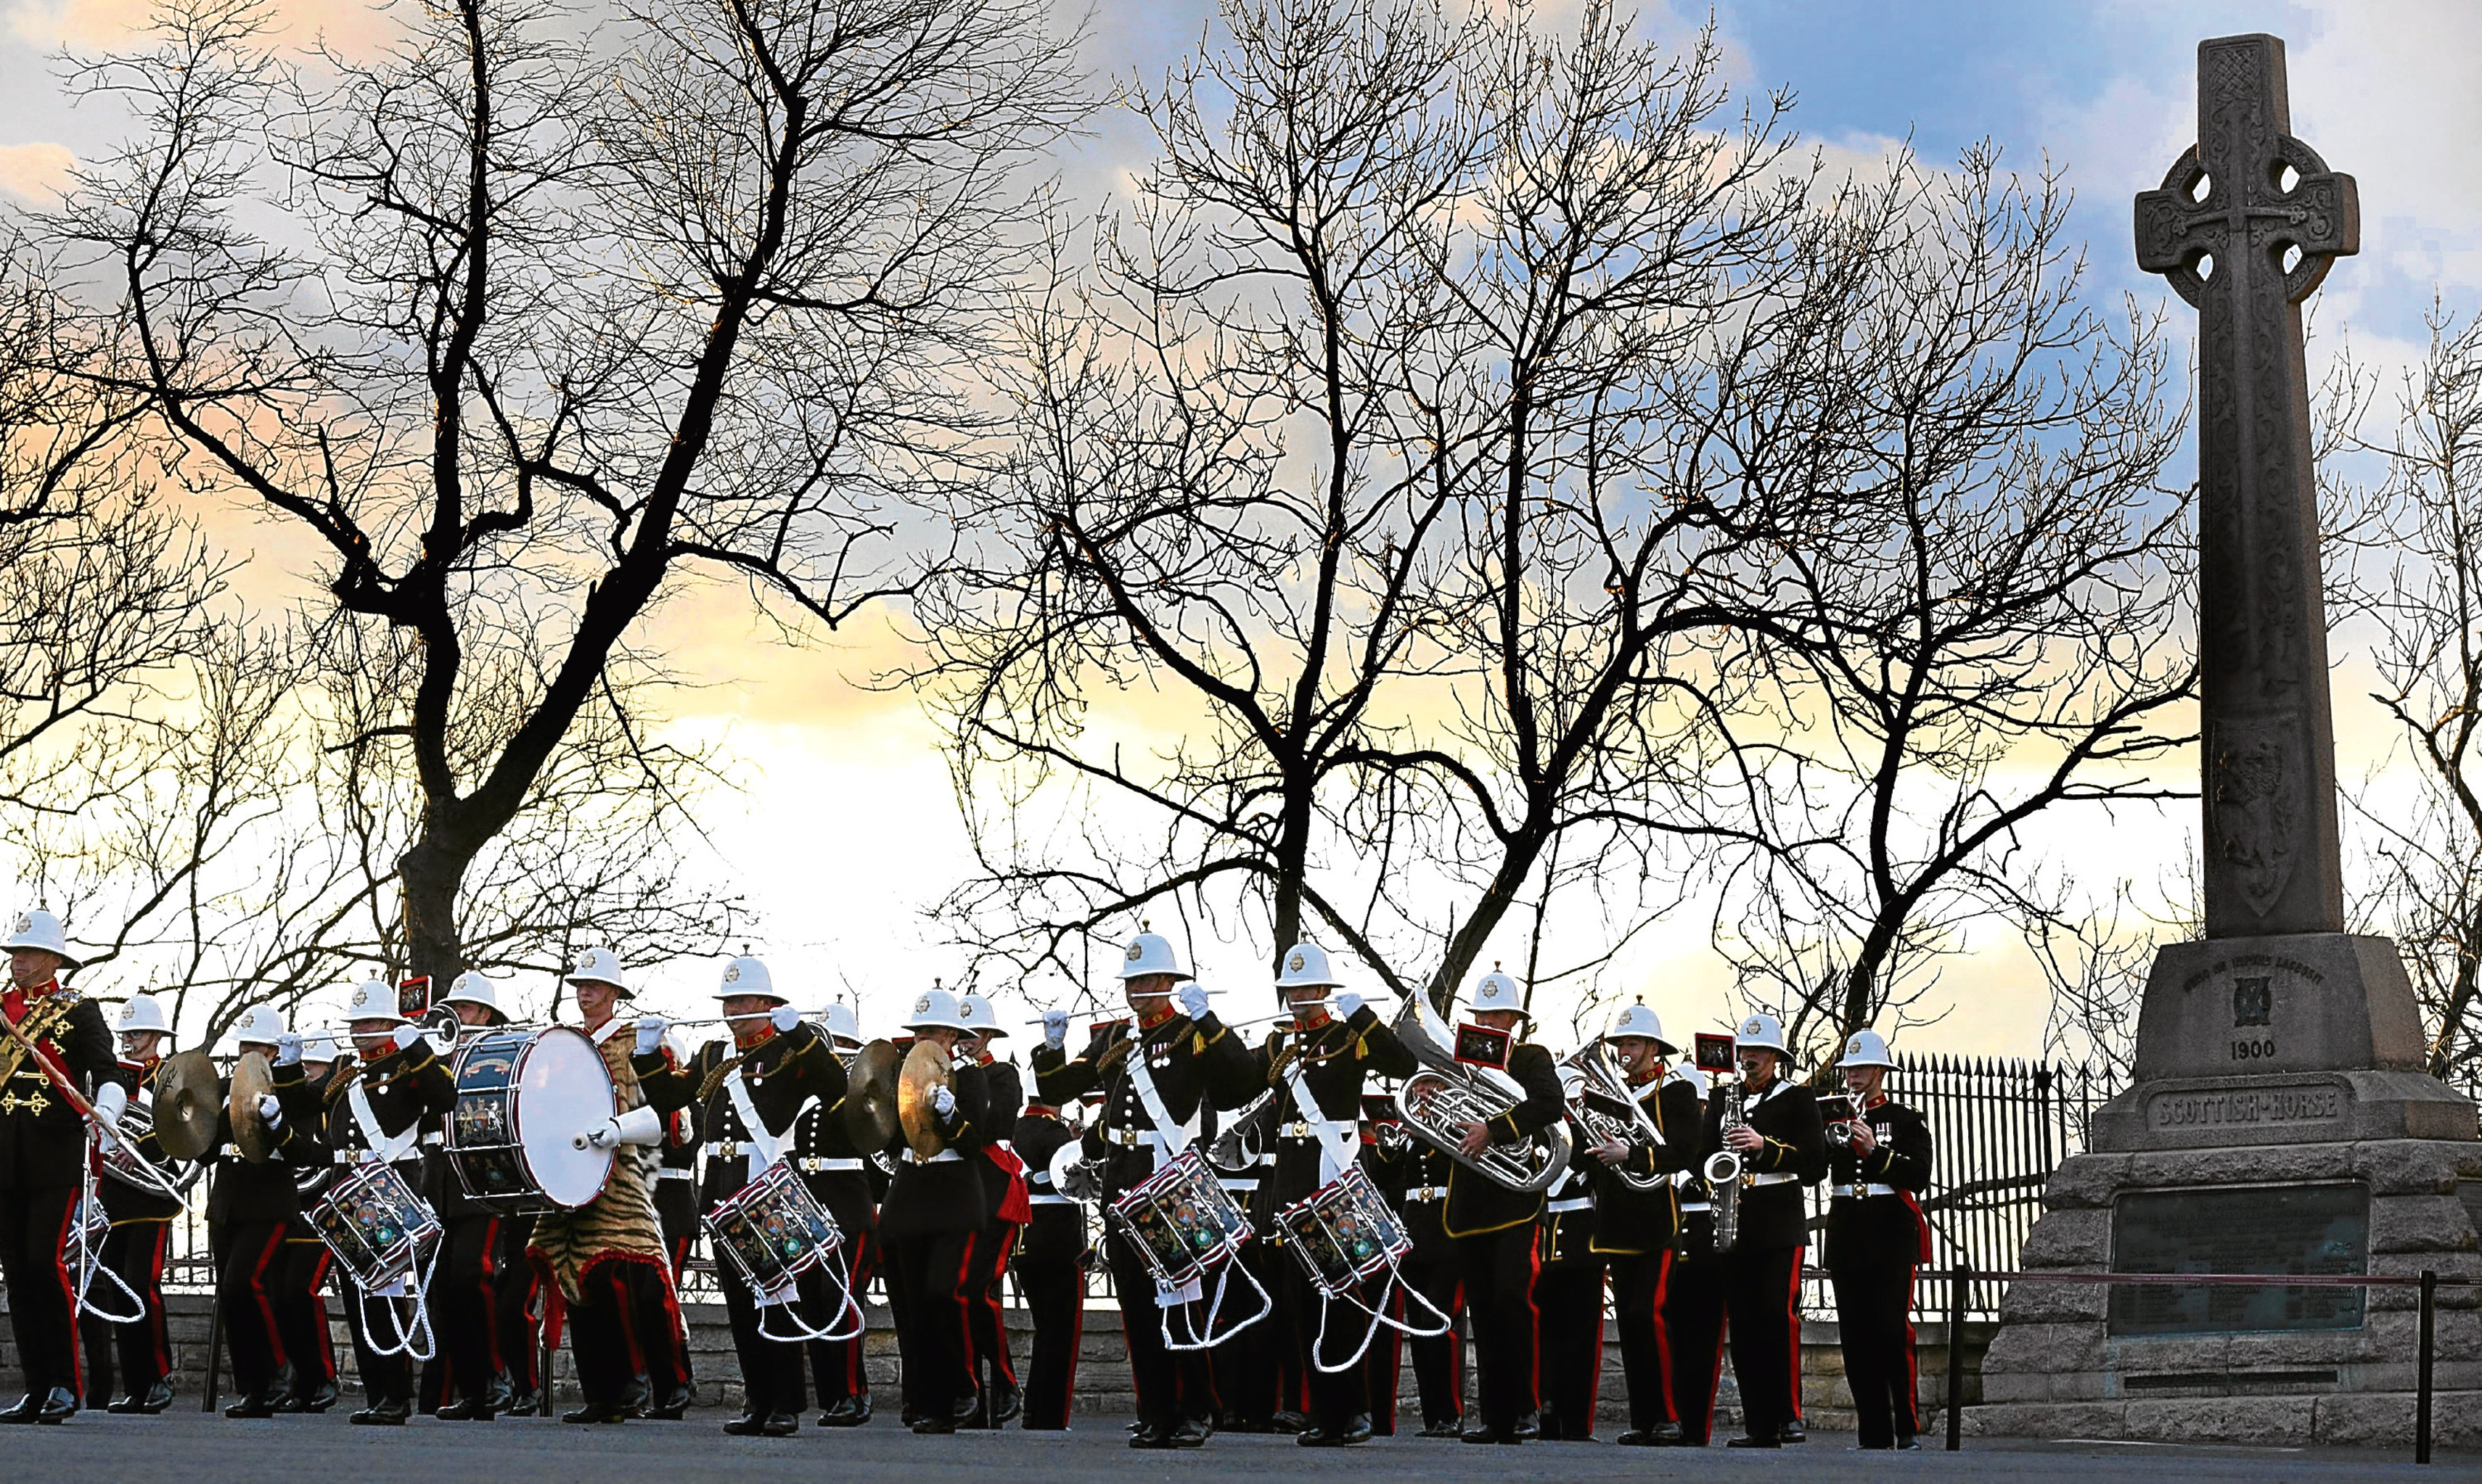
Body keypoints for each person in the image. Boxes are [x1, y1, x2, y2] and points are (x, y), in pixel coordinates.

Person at [1029, 928, 1255, 1450]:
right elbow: (1059, 1089)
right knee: (1135, 1304)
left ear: (1168, 981)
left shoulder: (1189, 1033)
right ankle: (1156, 1410)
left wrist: (1210, 1022)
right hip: (1124, 1183)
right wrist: (1052, 1050)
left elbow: (1241, 1084)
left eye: (1149, 979)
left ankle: (1197, 1408)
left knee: (1181, 1301)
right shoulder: (1115, 1040)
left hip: (1171, 1181)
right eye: (1132, 981)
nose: (1139, 990)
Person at [633, 953, 840, 1437]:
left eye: (743, 1001)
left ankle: (785, 1403)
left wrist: (803, 1038)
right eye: (728, 1002)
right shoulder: (713, 1055)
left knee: (778, 1296)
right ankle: (757, 1401)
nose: (733, 1011)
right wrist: (647, 1056)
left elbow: (835, 1088)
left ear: (768, 1003)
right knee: (740, 1303)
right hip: (724, 1184)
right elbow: (670, 1098)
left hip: (766, 1182)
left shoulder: (788, 1050)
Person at [1243, 941, 1413, 1448]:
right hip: (1292, 1181)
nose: (1297, 998)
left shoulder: (1348, 1038)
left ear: (1323, 991)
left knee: (1341, 1299)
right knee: (1301, 1303)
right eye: (1289, 990)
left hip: (1334, 1175)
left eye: (1306, 989)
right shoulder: (1279, 1048)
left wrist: (1363, 1017)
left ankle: (1355, 1410)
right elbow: (1235, 1083)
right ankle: (1323, 1411)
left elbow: (1401, 1062)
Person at [275, 978, 457, 1426]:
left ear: (390, 1023)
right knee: (358, 1295)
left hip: (389, 1188)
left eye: (370, 1022)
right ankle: (378, 1392)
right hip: (347, 1191)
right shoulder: (346, 1070)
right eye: (356, 1023)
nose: (360, 1031)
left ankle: (396, 1394)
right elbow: (306, 1101)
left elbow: (444, 1098)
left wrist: (417, 1050)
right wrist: (288, 1068)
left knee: (386, 1291)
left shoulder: (406, 1065)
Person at [535, 946, 692, 1425]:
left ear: (614, 993)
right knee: (580, 1282)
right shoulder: (561, 1047)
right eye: (580, 986)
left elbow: (673, 1122)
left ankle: (669, 1385)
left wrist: (620, 1130)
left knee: (645, 1283)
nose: (586, 993)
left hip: (626, 1177)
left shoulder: (636, 1044)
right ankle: (605, 1392)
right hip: (572, 1177)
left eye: (595, 986)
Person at [1438, 965, 1564, 1446]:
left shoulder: (1530, 1058)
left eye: (1497, 1015)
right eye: (1482, 1014)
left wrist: (1495, 1129)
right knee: (1484, 1310)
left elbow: (1550, 1105)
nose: (1488, 1023)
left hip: (1515, 1201)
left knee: (1515, 1302)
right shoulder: (1458, 1064)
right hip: (1470, 1204)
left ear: (1513, 1018)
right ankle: (1495, 1415)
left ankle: (1526, 1408)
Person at [0, 909, 116, 1423]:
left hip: (53, 1154)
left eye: (25, 954)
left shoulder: (79, 1010)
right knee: (17, 1271)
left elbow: (108, 1071)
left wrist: (107, 1113)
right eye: (12, 954)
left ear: (51, 959)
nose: (16, 961)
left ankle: (65, 1385)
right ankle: (36, 1385)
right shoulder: (1, 1009)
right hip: (5, 1154)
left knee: (45, 1262)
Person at [1700, 1012, 1826, 1449]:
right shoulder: (1723, 1099)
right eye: (1745, 1053)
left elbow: (1814, 1164)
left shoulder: (1797, 1098)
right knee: (1746, 1325)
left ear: (1776, 1057)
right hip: (1735, 1220)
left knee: (1777, 1317)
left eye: (1757, 1053)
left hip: (1778, 1222)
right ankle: (1759, 1424)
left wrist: (1763, 1147)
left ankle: (1788, 1415)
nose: (1749, 1060)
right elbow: (1702, 1154)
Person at [879, 986, 1002, 1434]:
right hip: (912, 1191)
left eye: (932, 1031)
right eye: (918, 1031)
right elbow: (890, 1141)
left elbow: (972, 1143)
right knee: (914, 1305)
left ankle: (965, 1391)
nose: (923, 1039)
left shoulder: (968, 1076)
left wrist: (950, 1116)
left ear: (952, 1035)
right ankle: (930, 1400)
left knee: (943, 1294)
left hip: (952, 1195)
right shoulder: (905, 1074)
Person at [1581, 1003, 1697, 1447]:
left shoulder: (1677, 1092)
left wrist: (1633, 1155)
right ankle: (1644, 1417)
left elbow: (1685, 1152)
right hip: (1617, 1219)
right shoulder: (1608, 1094)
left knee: (1648, 1314)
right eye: (1620, 1044)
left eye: (1631, 1043)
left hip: (1657, 1220)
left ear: (1653, 1048)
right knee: (1628, 1323)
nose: (1624, 1051)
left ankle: (1668, 1416)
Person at [205, 1003, 321, 1419]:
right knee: (232, 1294)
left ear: (273, 1053)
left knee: (244, 1284)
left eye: (257, 1047)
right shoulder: (223, 1088)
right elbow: (201, 1152)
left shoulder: (288, 1088)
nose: (247, 1054)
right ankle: (252, 1387)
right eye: (244, 1046)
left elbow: (303, 1149)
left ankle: (275, 1371)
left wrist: (275, 1119)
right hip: (228, 1201)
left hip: (269, 1200)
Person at [1823, 1029, 1933, 1452]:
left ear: (1879, 1071)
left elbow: (1918, 1175)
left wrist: (1874, 1151)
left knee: (1891, 1331)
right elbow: (1818, 1167)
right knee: (1854, 1336)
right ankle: (1871, 1430)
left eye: (1862, 1067)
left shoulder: (1905, 1120)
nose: (1854, 1075)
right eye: (1849, 1068)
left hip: (1889, 1233)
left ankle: (1906, 1426)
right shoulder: (1832, 1117)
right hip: (1848, 1232)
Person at [87, 993, 191, 1415]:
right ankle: (134, 1385)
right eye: (126, 1033)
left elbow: (183, 1127)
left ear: (156, 1036)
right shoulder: (112, 1075)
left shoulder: (170, 1075)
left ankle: (159, 1378)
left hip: (151, 1196)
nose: (130, 1040)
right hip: (114, 1195)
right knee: (117, 1289)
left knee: (141, 1284)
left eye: (138, 1033)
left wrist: (140, 1145)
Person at [421, 971, 520, 1420]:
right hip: (439, 1180)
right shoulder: (431, 1055)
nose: (456, 1016)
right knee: (444, 1289)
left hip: (482, 1181)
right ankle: (473, 1388)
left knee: (470, 1276)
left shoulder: (496, 1054)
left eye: (465, 1009)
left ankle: (495, 1376)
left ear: (485, 1014)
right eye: (453, 1008)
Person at [792, 1002, 875, 1427]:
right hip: (809, 1203)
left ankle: (852, 1393)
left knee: (840, 1300)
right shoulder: (804, 1091)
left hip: (846, 1204)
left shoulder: (858, 1091)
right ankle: (831, 1395)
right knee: (813, 1304)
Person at [1367, 1094, 1463, 1437]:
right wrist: (1390, 1148)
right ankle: (1433, 1416)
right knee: (1419, 1330)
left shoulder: (1452, 1129)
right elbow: (1385, 1176)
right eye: (1418, 1090)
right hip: (1414, 1234)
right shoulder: (1406, 1136)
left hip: (1447, 1232)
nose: (1423, 1097)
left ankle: (1451, 1413)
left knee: (1439, 1323)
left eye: (1431, 1089)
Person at [956, 991, 1028, 1427]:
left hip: (990, 1189)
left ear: (986, 1037)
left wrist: (967, 1079)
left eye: (972, 1035)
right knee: (958, 1294)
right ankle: (970, 1392)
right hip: (956, 1191)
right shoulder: (943, 1074)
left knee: (978, 1290)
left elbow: (995, 1123)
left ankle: (1004, 1381)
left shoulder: (1001, 1074)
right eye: (959, 1035)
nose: (965, 1042)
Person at [1009, 1075, 1085, 1430]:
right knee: (1060, 1333)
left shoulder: (1016, 1128)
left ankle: (1033, 1412)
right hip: (1059, 1238)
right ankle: (1050, 1415)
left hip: (1023, 1236)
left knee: (1044, 1328)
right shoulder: (1057, 1134)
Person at [1660, 1058, 1725, 1445]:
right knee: (1667, 1336)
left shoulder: (1712, 1144)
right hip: (1669, 1237)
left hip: (1704, 1243)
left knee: (1701, 1343)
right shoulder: (1669, 1141)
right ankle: (1671, 1419)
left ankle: (1696, 1427)